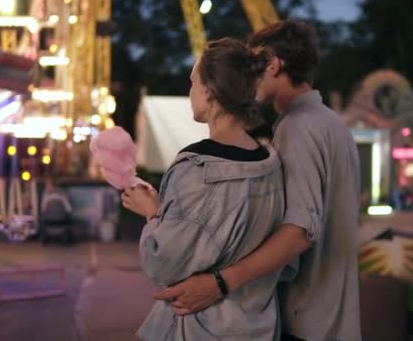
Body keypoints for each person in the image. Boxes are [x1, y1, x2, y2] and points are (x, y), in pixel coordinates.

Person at [154, 20, 362, 341]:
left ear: (274, 65)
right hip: (335, 315)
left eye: (255, 65)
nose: (249, 75)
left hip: (306, 318)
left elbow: (299, 232)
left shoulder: (297, 128)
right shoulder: (333, 124)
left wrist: (220, 283)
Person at [122, 38, 286, 340]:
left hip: (203, 328)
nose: (190, 91)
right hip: (259, 326)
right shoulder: (272, 165)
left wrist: (153, 213)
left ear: (209, 91)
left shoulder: (197, 170)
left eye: (193, 82)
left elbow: (164, 264)